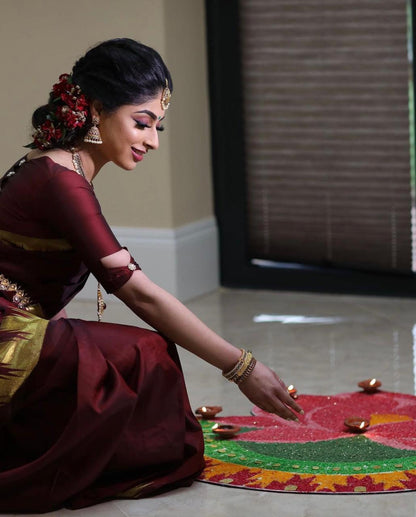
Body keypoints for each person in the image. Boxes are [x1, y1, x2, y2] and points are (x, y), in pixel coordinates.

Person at [0, 38, 302, 513]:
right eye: (142, 123)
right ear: (96, 110)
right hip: (9, 337)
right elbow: (141, 295)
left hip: (18, 327)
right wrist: (241, 367)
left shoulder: (62, 167)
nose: (153, 141)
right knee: (145, 352)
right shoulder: (61, 181)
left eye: (158, 126)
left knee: (117, 353)